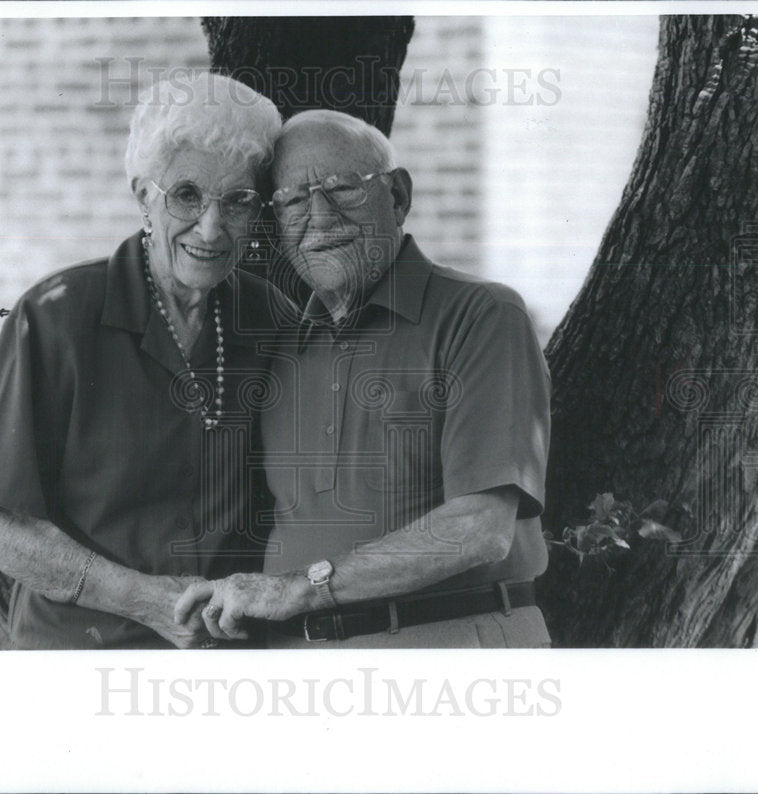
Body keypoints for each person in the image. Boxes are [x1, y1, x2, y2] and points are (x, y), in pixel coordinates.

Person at [176, 109, 552, 648]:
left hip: (451, 650)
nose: (320, 217)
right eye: (294, 201)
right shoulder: (280, 344)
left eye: (342, 189)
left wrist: (300, 588)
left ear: (397, 196)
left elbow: (481, 529)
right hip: (301, 669)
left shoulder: (482, 315)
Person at [0, 74, 287, 649]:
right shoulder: (59, 315)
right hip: (83, 654)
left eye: (236, 202)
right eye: (186, 195)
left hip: (228, 655)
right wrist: (147, 602)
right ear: (143, 198)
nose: (211, 227)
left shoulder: (269, 315)